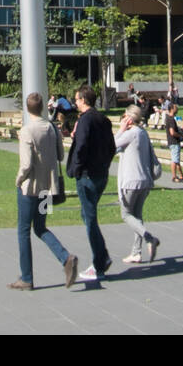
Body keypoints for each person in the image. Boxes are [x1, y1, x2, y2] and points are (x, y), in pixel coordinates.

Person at [8, 93, 78, 291]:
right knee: (40, 227)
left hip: (29, 189)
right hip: (47, 188)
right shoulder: (52, 129)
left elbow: (26, 163)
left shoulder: (27, 131)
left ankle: (26, 277)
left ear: (27, 109)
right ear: (42, 108)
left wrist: (19, 179)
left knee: (23, 230)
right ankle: (65, 258)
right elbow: (60, 154)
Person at [66, 85, 116, 282]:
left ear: (83, 100)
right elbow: (111, 146)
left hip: (88, 175)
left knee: (89, 218)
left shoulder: (86, 120)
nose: (75, 103)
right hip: (100, 173)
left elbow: (83, 145)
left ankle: (99, 262)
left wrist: (78, 168)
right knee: (87, 215)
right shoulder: (102, 119)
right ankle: (102, 257)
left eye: (77, 100)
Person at [115, 104, 160, 264]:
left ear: (128, 118)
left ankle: (149, 238)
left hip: (132, 181)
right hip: (146, 180)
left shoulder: (131, 134)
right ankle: (136, 252)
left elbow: (112, 145)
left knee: (126, 214)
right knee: (137, 216)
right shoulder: (143, 133)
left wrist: (121, 129)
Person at [164, 102, 183, 182]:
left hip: (172, 142)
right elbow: (172, 132)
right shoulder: (170, 119)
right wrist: (181, 136)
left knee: (176, 160)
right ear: (172, 109)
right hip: (174, 142)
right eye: (175, 107)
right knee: (175, 160)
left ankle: (182, 175)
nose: (177, 108)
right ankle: (174, 177)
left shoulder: (169, 118)